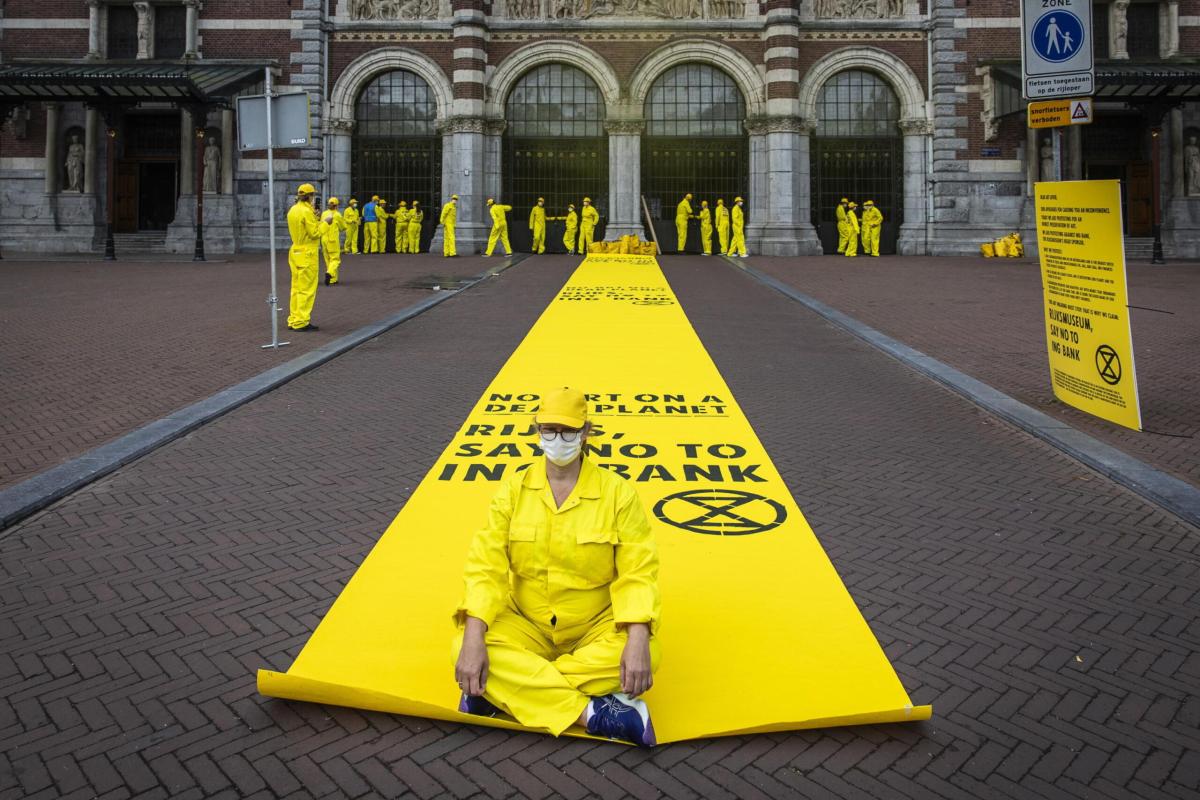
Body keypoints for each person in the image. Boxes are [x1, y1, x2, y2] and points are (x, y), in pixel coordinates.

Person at [452, 386, 661, 747]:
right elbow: (486, 564)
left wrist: (639, 636)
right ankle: (594, 714)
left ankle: (497, 693)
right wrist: (473, 636)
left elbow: (637, 569)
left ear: (586, 431)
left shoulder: (618, 494)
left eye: (568, 431)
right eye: (548, 429)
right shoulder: (513, 491)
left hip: (594, 624)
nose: (558, 439)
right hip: (526, 621)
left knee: (648, 654)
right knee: (461, 648)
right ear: (537, 431)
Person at [286, 183, 323, 331]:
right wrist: (325, 223)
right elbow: (314, 233)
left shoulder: (293, 210)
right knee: (306, 289)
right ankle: (301, 322)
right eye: (313, 196)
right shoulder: (306, 212)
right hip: (307, 252)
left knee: (296, 288)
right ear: (309, 196)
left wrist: (316, 218)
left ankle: (294, 318)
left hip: (295, 250)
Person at [320, 197, 346, 286]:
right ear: (336, 206)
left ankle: (333, 279)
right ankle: (330, 273)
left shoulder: (324, 213)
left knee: (328, 260)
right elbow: (343, 227)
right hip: (332, 240)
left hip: (323, 239)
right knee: (335, 259)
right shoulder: (337, 215)